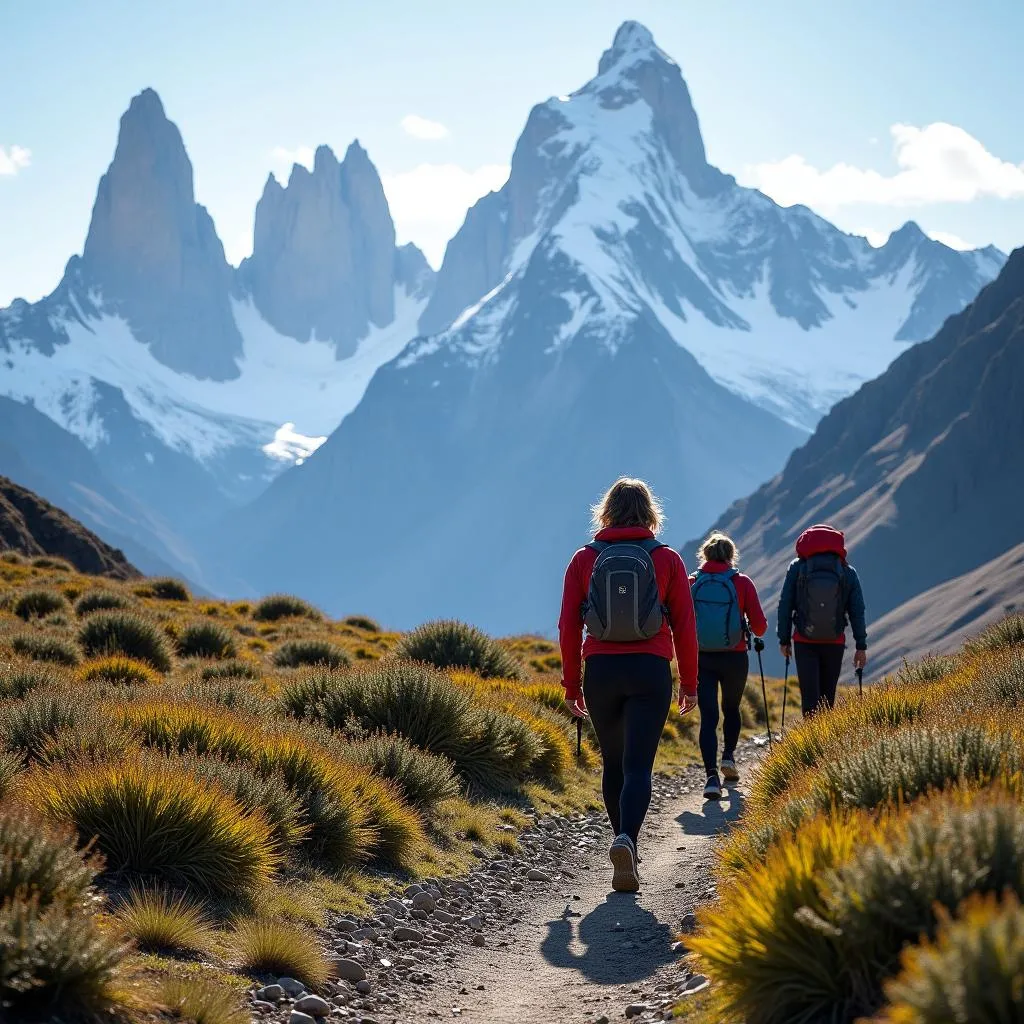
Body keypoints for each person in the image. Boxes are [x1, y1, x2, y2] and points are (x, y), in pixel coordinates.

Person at [558, 477, 698, 894]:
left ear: (607, 511)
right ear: (651, 512)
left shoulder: (585, 558)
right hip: (650, 669)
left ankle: (622, 843)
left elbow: (568, 626)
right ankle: (628, 843)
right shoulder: (667, 559)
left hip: (600, 670)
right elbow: (685, 625)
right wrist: (689, 682)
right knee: (639, 766)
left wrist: (571, 684)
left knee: (613, 764)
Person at [689, 532, 768, 801]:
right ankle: (729, 758)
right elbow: (760, 626)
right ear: (731, 556)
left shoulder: (693, 583)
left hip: (701, 658)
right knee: (731, 709)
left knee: (708, 718)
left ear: (705, 555)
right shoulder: (742, 583)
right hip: (734, 657)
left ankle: (711, 778)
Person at [777, 523, 867, 716]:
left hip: (803, 640)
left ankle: (811, 741)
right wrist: (861, 645)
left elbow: (785, 604)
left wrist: (784, 639)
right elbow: (857, 611)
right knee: (828, 699)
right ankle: (825, 742)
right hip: (834, 641)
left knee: (810, 698)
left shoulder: (797, 567)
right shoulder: (847, 572)